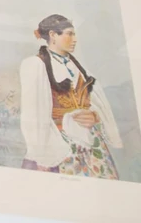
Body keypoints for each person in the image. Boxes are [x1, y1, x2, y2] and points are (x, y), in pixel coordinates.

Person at [19, 14, 122, 179]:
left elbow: (96, 103)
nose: (75, 39)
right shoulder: (36, 65)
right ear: (53, 35)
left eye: (74, 34)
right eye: (70, 34)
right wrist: (41, 154)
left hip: (91, 141)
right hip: (58, 144)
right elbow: (33, 114)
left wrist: (94, 116)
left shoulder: (79, 68)